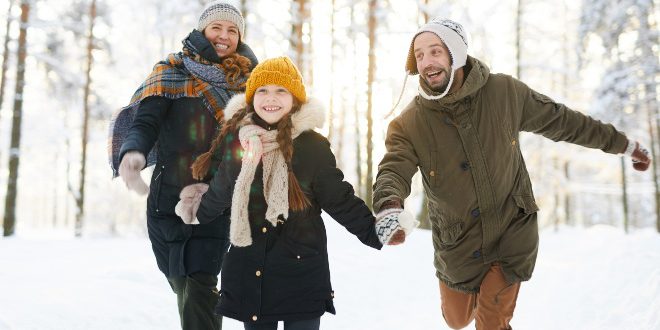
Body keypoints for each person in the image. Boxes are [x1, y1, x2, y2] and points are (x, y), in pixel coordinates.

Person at [372, 18, 652, 330]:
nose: (427, 62)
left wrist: (624, 145)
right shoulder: (410, 122)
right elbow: (393, 167)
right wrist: (389, 204)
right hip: (458, 243)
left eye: (435, 51)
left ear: (456, 54)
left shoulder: (504, 92)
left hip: (512, 230)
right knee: (456, 319)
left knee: (491, 321)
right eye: (420, 55)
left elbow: (565, 122)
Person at [175, 56, 416, 330]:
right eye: (263, 90)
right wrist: (196, 214)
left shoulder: (312, 146)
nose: (271, 98)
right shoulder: (240, 142)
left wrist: (374, 232)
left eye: (281, 91)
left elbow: (339, 199)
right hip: (252, 268)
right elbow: (221, 189)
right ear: (252, 97)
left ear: (295, 99)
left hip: (301, 270)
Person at [108, 2, 258, 329]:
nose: (224, 36)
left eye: (232, 30)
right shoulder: (170, 72)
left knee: (201, 283)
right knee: (182, 283)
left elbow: (253, 141)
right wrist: (132, 154)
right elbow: (145, 124)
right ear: (203, 30)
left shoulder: (250, 83)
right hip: (166, 198)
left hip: (217, 198)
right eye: (217, 27)